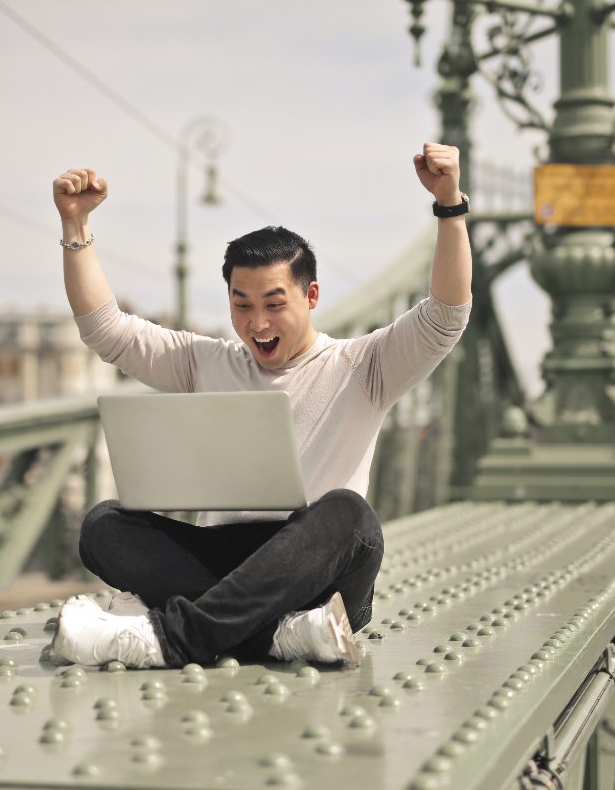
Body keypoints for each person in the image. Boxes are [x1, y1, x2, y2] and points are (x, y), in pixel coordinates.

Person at [47, 143, 472, 669]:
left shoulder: (365, 364)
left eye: (274, 304)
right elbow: (105, 330)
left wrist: (449, 205)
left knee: (350, 514)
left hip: (320, 568)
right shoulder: (204, 363)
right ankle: (278, 634)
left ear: (311, 296)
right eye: (241, 305)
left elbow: (445, 317)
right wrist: (75, 225)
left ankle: (173, 639)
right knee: (103, 526)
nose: (257, 324)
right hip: (225, 563)